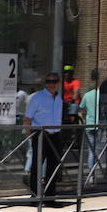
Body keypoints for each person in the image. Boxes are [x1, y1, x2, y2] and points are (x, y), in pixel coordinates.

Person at [24, 72, 65, 203]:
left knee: (53, 165)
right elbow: (28, 118)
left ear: (58, 82)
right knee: (37, 165)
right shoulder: (38, 97)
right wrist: (29, 134)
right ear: (45, 83)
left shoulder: (59, 98)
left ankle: (50, 195)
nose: (51, 84)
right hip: (41, 133)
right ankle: (35, 195)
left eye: (54, 81)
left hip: (56, 134)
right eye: (48, 81)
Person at [80, 69, 101, 174]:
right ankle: (97, 172)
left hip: (89, 124)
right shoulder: (102, 95)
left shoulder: (87, 95)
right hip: (100, 125)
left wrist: (84, 118)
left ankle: (91, 174)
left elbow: (81, 109)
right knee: (98, 150)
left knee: (91, 151)